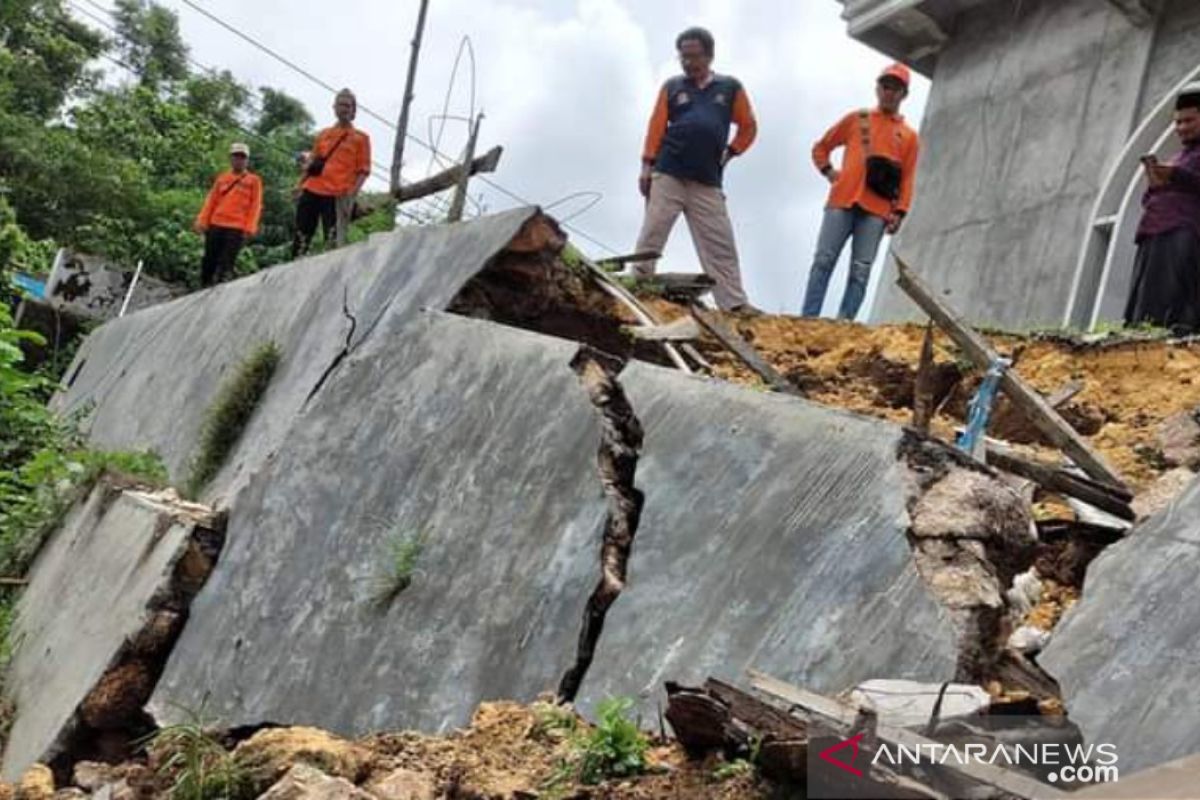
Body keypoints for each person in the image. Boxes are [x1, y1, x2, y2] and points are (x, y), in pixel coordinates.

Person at [633, 26, 759, 314]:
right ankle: (639, 284)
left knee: (720, 242)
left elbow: (749, 126)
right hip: (669, 171)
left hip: (707, 179)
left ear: (709, 56)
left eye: (694, 56)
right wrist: (646, 165)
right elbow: (656, 127)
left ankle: (734, 302)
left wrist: (732, 152)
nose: (688, 62)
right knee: (653, 230)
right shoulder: (672, 86)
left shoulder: (729, 88)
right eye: (683, 57)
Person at [803, 63, 920, 320]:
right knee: (824, 260)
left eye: (896, 88)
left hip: (877, 211)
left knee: (861, 270)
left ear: (904, 95)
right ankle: (808, 318)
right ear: (877, 88)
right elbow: (821, 147)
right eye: (885, 86)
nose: (889, 92)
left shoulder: (909, 137)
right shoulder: (857, 119)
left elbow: (908, 178)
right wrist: (828, 172)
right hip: (842, 200)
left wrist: (900, 212)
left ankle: (845, 321)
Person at [1123, 83, 1200, 335]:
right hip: (1156, 229)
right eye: (1177, 123)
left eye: (1188, 120)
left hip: (1185, 230)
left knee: (1176, 295)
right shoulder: (1180, 156)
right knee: (1149, 294)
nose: (1181, 128)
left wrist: (1177, 175)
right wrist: (1157, 182)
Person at [292, 88, 371, 258]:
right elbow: (312, 162)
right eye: (341, 105)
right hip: (312, 189)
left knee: (333, 240)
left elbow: (363, 170)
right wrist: (299, 185)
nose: (344, 109)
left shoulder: (360, 138)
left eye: (348, 106)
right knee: (301, 236)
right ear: (334, 108)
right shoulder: (324, 134)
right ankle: (296, 263)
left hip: (337, 194)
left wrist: (352, 193)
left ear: (353, 111)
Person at [194, 142, 263, 287]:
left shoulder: (254, 181)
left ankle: (220, 291)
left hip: (236, 227)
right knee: (209, 260)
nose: (239, 160)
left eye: (242, 157)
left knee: (227, 263)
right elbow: (211, 201)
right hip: (216, 224)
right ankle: (203, 288)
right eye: (236, 156)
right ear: (231, 158)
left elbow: (255, 205)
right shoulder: (222, 178)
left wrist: (250, 227)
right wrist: (202, 221)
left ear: (247, 160)